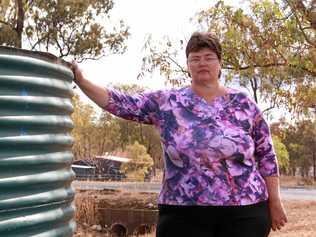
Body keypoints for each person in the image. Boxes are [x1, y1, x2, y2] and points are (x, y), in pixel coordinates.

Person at [72, 31, 287, 237]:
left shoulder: (243, 103)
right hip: (183, 213)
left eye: (209, 57)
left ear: (220, 63)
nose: (202, 63)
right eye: (195, 59)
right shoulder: (168, 103)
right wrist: (82, 81)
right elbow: (121, 103)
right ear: (188, 66)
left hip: (245, 212)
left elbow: (266, 155)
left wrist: (275, 202)